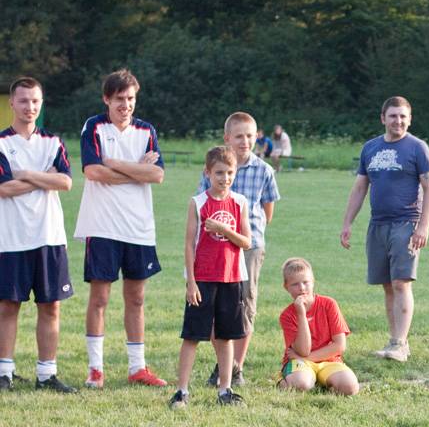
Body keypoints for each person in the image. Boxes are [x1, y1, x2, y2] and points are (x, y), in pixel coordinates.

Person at [74, 68, 168, 389]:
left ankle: (137, 368)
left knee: (136, 298)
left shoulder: (147, 130)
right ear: (106, 99)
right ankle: (95, 369)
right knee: (100, 298)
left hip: (138, 227)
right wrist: (138, 170)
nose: (125, 105)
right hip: (102, 225)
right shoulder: (94, 126)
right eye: (119, 99)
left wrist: (114, 163)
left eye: (130, 99)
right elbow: (93, 172)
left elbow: (157, 175)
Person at [340, 96, 429, 362]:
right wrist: (347, 222)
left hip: (406, 223)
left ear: (410, 119)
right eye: (393, 116)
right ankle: (395, 340)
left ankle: (400, 344)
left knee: (401, 282)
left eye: (403, 116)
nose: (398, 121)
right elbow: (360, 187)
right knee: (387, 285)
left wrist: (423, 226)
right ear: (383, 118)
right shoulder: (370, 148)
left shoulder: (418, 148)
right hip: (378, 224)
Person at [0, 76, 76, 392]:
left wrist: (25, 175)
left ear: (41, 104)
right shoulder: (2, 143)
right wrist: (46, 178)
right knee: (8, 306)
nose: (29, 107)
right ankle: (4, 373)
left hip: (49, 237)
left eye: (35, 101)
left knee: (50, 306)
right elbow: (4, 189)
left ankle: (46, 375)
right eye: (23, 100)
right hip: (10, 238)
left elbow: (66, 182)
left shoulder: (53, 142)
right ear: (11, 103)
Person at [195, 111, 280, 387]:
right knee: (215, 304)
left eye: (250, 136)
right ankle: (226, 365)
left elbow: (267, 212)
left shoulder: (264, 170)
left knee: (245, 304)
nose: (245, 141)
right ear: (227, 138)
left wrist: (243, 234)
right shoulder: (214, 168)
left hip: (248, 247)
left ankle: (236, 367)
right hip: (216, 248)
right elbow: (201, 205)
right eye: (239, 136)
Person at [169, 146, 251, 409]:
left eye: (229, 173)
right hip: (203, 279)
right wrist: (191, 282)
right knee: (192, 336)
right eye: (219, 173)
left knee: (226, 337)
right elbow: (188, 244)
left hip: (231, 278)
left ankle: (225, 389)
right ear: (207, 173)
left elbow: (246, 242)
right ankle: (182, 391)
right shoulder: (198, 203)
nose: (225, 178)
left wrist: (224, 229)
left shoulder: (240, 202)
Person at [277, 257, 359, 396]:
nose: (302, 288)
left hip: (329, 359)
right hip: (299, 361)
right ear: (286, 287)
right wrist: (301, 314)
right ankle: (283, 381)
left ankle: (321, 379)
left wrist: (307, 358)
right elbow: (303, 351)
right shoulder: (287, 315)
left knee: (350, 388)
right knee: (301, 385)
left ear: (313, 281)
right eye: (295, 284)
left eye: (305, 282)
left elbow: (339, 346)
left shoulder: (329, 304)